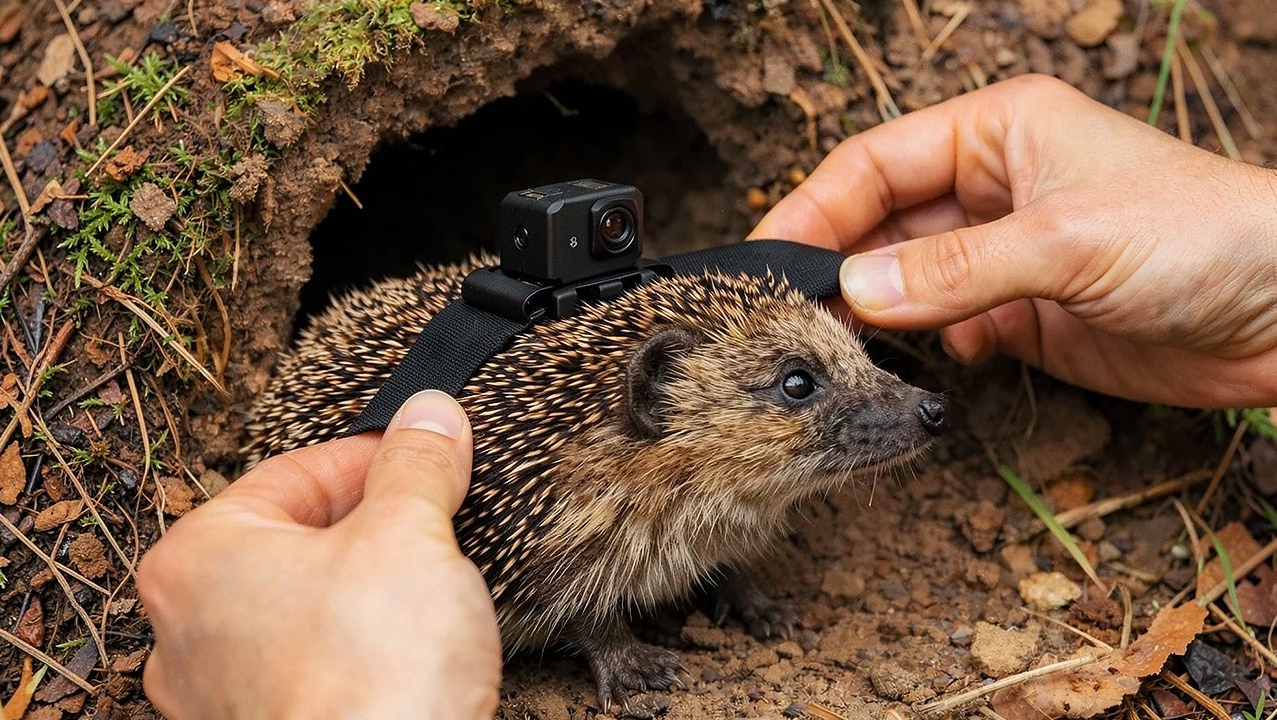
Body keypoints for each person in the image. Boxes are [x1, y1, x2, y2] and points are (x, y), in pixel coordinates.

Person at [136, 74, 1277, 718]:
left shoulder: (725, 472)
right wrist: (606, 639)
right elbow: (531, 575)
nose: (909, 408)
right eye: (795, 387)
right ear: (656, 408)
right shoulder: (569, 502)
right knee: (590, 601)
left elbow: (732, 507)